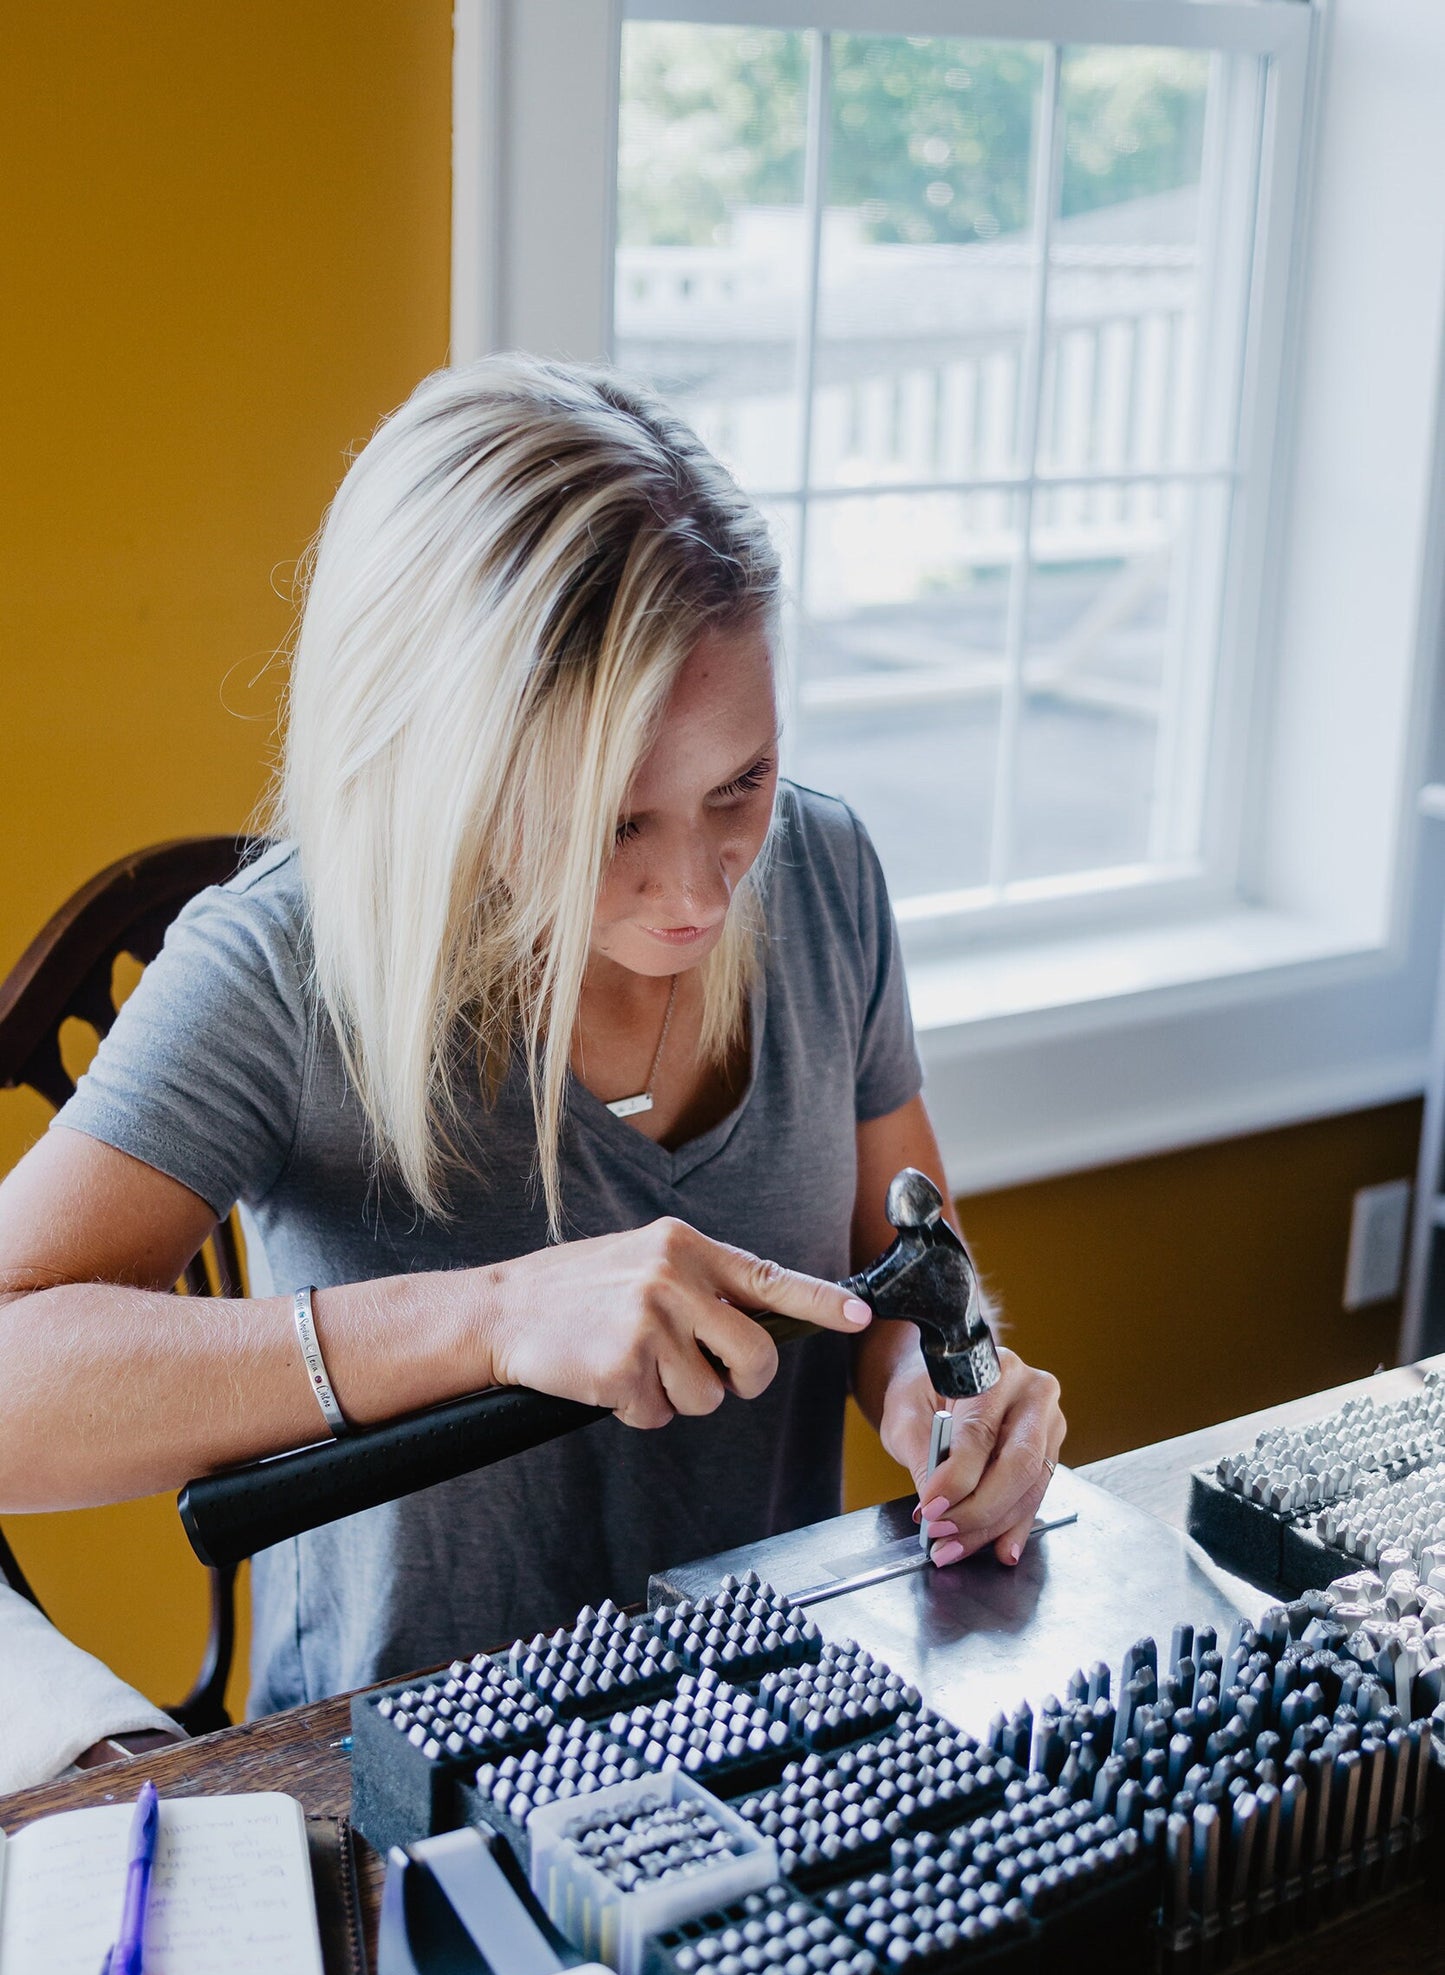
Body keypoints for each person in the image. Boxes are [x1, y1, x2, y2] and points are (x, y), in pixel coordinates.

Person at [0, 357, 1064, 1716]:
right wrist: (493, 1316)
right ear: (442, 766)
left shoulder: (827, 869)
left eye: (737, 785)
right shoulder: (282, 963)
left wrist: (948, 1392)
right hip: (409, 1760)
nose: (696, 890)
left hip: (760, 1693)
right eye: (608, 823)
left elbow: (900, 1270)